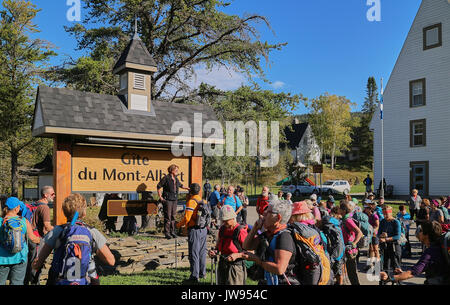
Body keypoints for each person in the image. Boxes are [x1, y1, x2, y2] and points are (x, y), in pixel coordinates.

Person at [32, 194, 115, 285]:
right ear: (84, 213)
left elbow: (38, 263)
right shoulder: (92, 232)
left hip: (59, 279)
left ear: (64, 212)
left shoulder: (57, 231)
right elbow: (111, 261)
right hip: (86, 279)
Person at [242, 199, 300, 285]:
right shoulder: (268, 234)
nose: (264, 213)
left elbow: (279, 269)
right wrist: (255, 228)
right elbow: (247, 246)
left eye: (268, 211)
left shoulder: (284, 237)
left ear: (278, 218)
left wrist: (257, 260)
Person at [380, 220, 449, 285]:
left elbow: (413, 272)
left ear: (426, 234)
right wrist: (402, 274)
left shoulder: (431, 252)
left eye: (421, 231)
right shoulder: (440, 246)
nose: (419, 233)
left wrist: (390, 278)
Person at [0, 197, 40, 285]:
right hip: (19, 258)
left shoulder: (1, 221)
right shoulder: (23, 221)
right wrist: (40, 240)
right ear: (17, 208)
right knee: (17, 282)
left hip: (2, 259)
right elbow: (32, 238)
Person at [176, 183, 207, 283]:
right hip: (203, 229)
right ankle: (203, 273)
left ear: (190, 191)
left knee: (194, 253)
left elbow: (187, 218)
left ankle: (194, 276)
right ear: (199, 191)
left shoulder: (191, 202)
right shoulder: (203, 200)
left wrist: (178, 225)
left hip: (194, 229)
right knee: (202, 252)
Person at [209, 205, 248, 285]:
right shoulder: (222, 229)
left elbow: (250, 252)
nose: (224, 222)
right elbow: (218, 246)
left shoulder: (241, 231)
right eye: (223, 220)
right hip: (223, 264)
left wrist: (237, 255)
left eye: (226, 220)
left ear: (233, 218)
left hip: (235, 267)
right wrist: (214, 252)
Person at [25, 186, 55, 285]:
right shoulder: (45, 207)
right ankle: (35, 283)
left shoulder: (35, 204)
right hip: (37, 239)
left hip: (28, 237)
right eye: (52, 194)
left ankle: (26, 281)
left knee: (29, 262)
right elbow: (47, 226)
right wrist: (59, 231)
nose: (54, 196)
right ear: (45, 195)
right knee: (36, 263)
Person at [157, 164, 190, 239]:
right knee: (167, 217)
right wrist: (160, 197)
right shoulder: (166, 178)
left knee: (173, 216)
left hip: (174, 199)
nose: (177, 172)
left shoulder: (175, 178)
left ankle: (173, 232)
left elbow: (181, 185)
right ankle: (167, 233)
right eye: (176, 170)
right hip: (167, 199)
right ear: (172, 170)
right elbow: (158, 186)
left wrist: (187, 188)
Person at [339, 201, 363, 285]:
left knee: (352, 273)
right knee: (346, 272)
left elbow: (359, 233)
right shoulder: (344, 219)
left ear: (344, 210)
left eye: (340, 209)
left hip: (349, 249)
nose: (339, 210)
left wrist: (354, 243)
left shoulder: (348, 220)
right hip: (344, 248)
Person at [378, 205, 402, 274]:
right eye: (383, 213)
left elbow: (397, 236)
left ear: (390, 212)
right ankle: (384, 281)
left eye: (386, 213)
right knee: (385, 267)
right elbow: (378, 233)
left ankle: (398, 282)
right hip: (385, 247)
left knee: (396, 267)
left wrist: (386, 238)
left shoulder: (395, 222)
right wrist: (381, 235)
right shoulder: (382, 221)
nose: (385, 215)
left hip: (394, 246)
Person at [364, 203, 380, 271]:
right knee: (370, 249)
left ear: (370, 209)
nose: (365, 209)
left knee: (376, 249)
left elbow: (377, 226)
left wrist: (373, 232)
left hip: (374, 234)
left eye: (366, 208)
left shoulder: (375, 216)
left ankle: (378, 265)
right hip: (369, 234)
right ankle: (370, 264)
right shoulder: (366, 216)